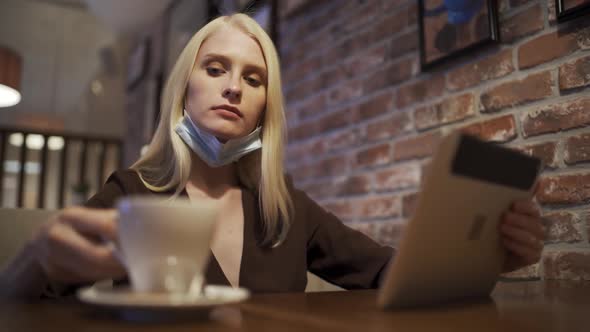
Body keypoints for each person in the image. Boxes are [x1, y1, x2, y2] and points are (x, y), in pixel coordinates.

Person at [0, 14, 545, 299]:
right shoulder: (131, 192)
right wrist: (33, 259)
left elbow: (389, 273)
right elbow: (19, 301)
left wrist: (486, 255)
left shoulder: (288, 210)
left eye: (252, 77)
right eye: (215, 69)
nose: (233, 87)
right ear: (184, 89)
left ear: (266, 106)